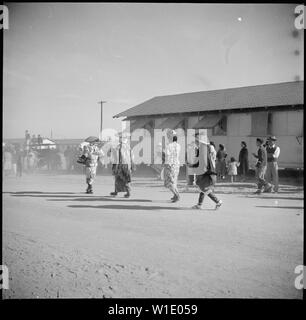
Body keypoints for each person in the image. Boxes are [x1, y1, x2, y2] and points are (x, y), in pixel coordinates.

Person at [189, 132, 222, 210]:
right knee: (202, 188)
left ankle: (217, 201)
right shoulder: (205, 147)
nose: (196, 141)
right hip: (207, 171)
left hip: (206, 171)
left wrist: (194, 166)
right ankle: (199, 204)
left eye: (197, 139)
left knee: (204, 188)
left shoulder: (203, 148)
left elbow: (204, 161)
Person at [163, 133, 181, 202]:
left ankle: (177, 195)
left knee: (168, 182)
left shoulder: (168, 145)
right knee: (174, 181)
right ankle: (175, 195)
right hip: (176, 165)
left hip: (170, 165)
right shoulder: (179, 145)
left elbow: (167, 155)